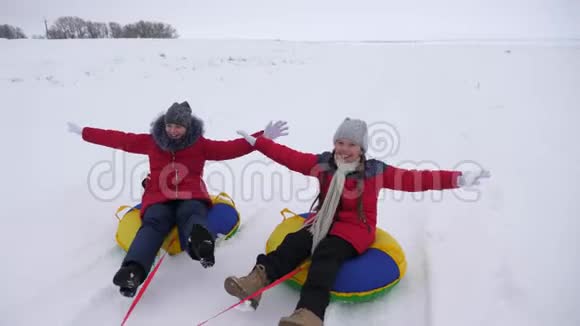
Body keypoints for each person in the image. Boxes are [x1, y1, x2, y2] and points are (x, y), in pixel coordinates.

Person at [227, 118, 490, 326]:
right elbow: (291, 157)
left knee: (326, 255)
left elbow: (417, 179)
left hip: (356, 230)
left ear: (361, 148)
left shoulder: (376, 172)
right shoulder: (324, 165)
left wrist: (457, 179)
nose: (344, 149)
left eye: (351, 144)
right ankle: (254, 283)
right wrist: (259, 142)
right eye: (340, 143)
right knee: (294, 241)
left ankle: (309, 313)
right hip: (323, 221)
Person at [67, 101, 289, 297]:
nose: (173, 130)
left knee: (191, 215)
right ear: (164, 124)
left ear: (188, 127)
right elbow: (120, 139)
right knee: (153, 223)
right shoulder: (151, 142)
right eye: (170, 125)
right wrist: (85, 132)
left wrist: (262, 138)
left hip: (190, 194)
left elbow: (231, 148)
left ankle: (201, 245)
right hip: (158, 197)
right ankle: (133, 271)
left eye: (179, 126)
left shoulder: (200, 144)